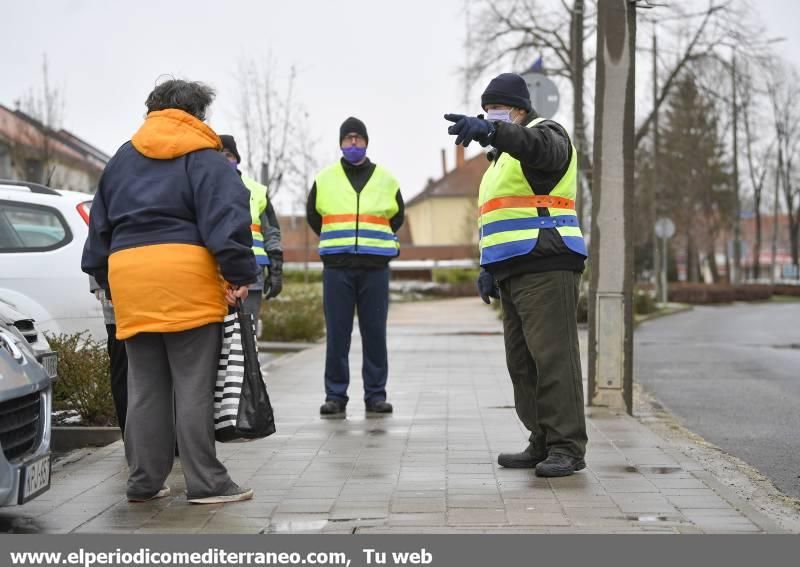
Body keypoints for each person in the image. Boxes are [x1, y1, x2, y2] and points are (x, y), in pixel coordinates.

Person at [82, 79, 258, 503]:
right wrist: (237, 274)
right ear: (198, 114)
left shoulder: (122, 158)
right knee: (193, 386)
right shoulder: (205, 156)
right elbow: (227, 219)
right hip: (186, 276)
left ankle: (144, 482)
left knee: (144, 387)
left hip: (129, 278)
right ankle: (206, 482)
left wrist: (105, 278)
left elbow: (99, 221)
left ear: (152, 110)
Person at [444, 73, 588, 477]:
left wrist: (493, 130)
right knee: (522, 363)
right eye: (487, 108)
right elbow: (497, 217)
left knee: (552, 358)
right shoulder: (499, 161)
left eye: (498, 108)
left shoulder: (547, 134)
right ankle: (541, 439)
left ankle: (567, 446)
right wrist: (487, 266)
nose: (491, 114)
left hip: (547, 261)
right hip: (513, 268)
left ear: (520, 110)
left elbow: (538, 149)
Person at [306, 117, 404, 418]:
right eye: (347, 139)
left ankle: (376, 396)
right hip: (338, 267)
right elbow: (313, 217)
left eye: (357, 139)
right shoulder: (325, 179)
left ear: (366, 142)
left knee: (375, 334)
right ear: (340, 143)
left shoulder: (387, 179)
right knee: (338, 334)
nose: (352, 144)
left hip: (375, 268)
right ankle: (335, 396)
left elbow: (397, 217)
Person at [218, 135, 283, 330]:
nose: (223, 159)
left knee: (247, 338)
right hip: (214, 275)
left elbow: (271, 232)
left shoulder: (257, 191)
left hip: (251, 272)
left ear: (237, 159)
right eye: (218, 155)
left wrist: (276, 268)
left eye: (228, 154)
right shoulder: (202, 188)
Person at [89, 276, 127, 435]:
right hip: (119, 316)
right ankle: (133, 440)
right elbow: (94, 256)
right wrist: (102, 287)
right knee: (125, 377)